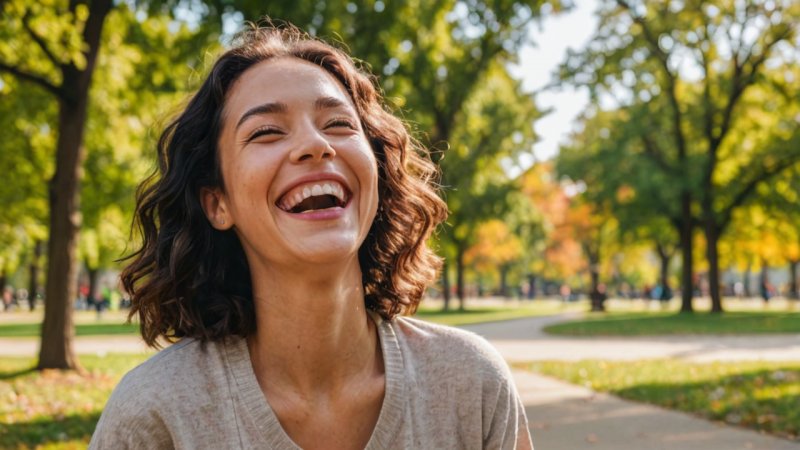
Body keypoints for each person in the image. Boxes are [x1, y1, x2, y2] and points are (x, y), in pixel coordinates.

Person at [89, 22, 533, 450]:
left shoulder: (471, 383)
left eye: (338, 124)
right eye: (266, 132)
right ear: (217, 204)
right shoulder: (154, 412)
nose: (316, 145)